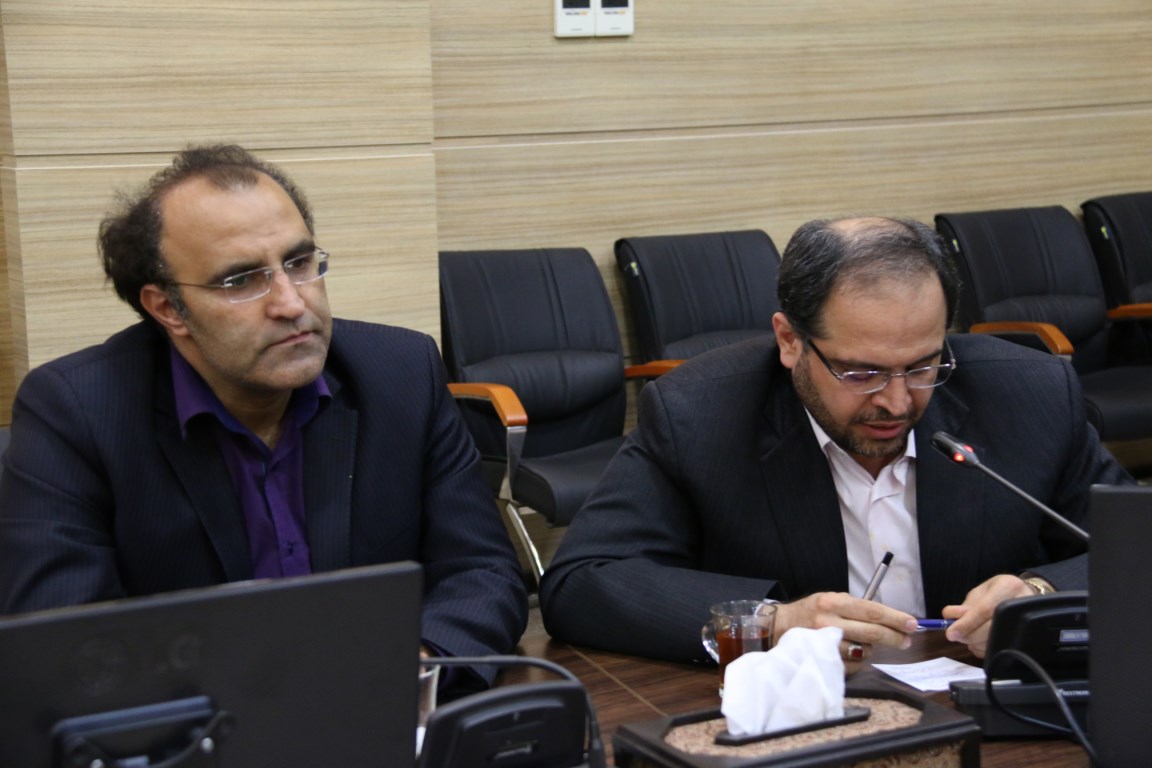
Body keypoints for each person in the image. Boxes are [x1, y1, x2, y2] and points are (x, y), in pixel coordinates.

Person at [0, 144, 528, 699]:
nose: (291, 304)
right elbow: (64, 638)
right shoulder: (76, 411)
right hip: (197, 729)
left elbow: (482, 571)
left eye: (299, 264)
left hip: (386, 710)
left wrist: (412, 668)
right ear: (168, 308)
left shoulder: (401, 373)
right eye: (241, 280)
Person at [540, 216, 1132, 667]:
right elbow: (582, 583)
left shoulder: (1030, 394)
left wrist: (1039, 594)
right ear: (789, 341)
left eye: (923, 366)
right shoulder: (699, 412)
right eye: (861, 372)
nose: (897, 401)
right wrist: (771, 622)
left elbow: (1136, 545)